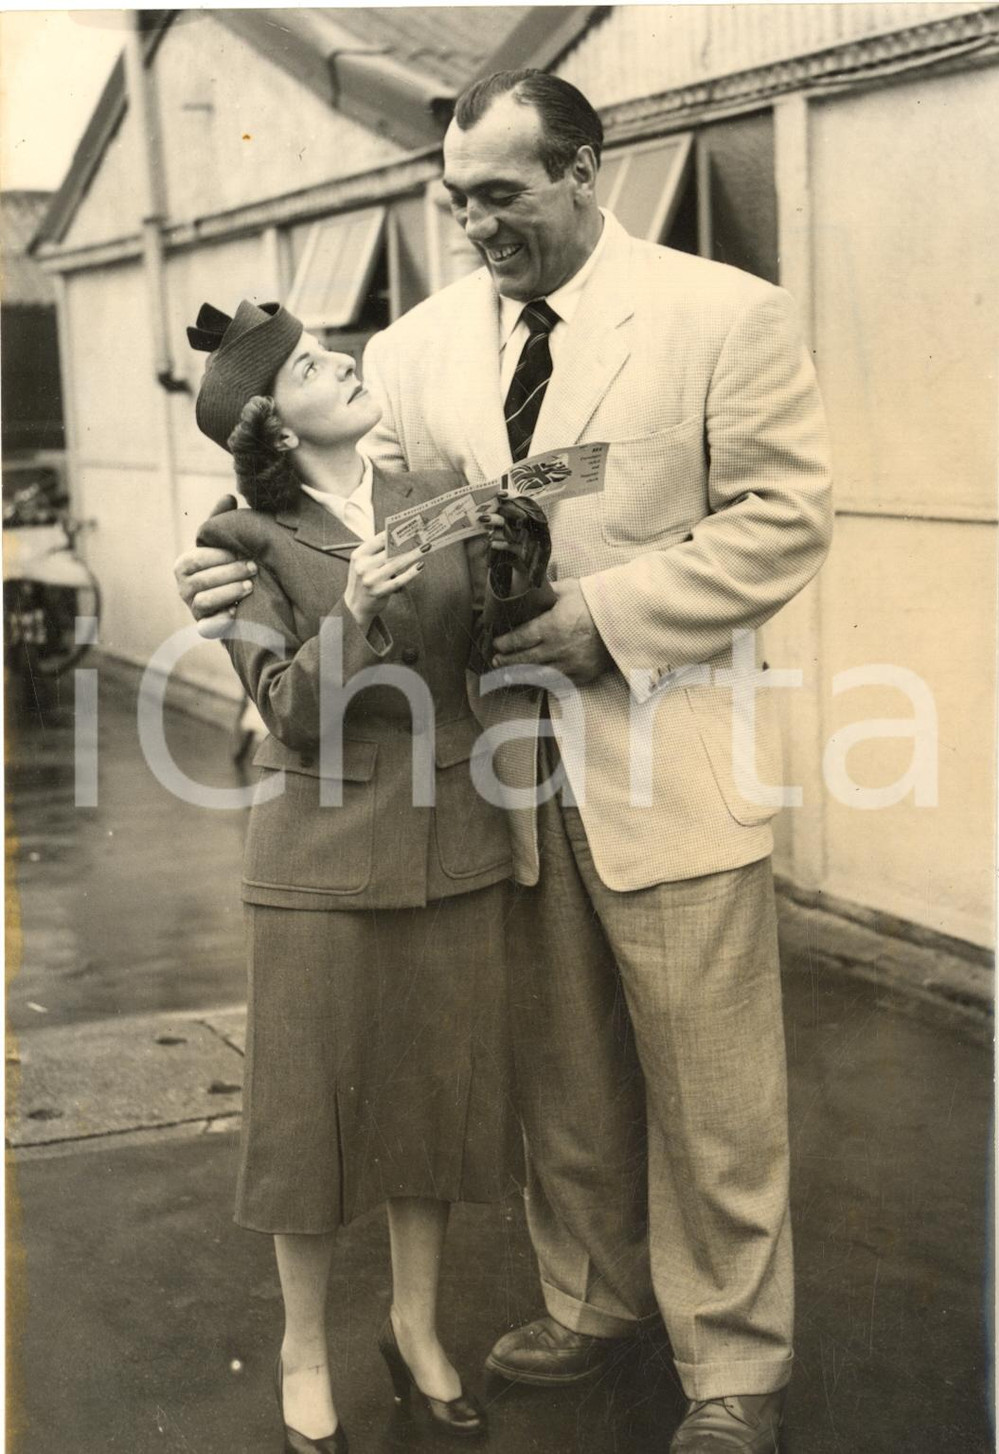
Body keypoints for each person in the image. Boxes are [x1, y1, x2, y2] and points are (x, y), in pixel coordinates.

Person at [175, 71, 833, 1454]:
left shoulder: (723, 315)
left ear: (586, 169)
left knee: (714, 1093)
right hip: (499, 780)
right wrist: (242, 563)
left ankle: (733, 1367)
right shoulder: (415, 350)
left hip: (669, 752)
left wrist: (603, 615)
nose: (475, 222)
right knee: (563, 1078)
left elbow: (784, 521)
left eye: (503, 193)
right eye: (455, 197)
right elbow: (362, 519)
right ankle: (593, 1301)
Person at [182, 296, 550, 1452]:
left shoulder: (425, 502)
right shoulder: (239, 542)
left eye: (327, 349)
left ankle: (416, 1326)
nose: (339, 362)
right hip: (322, 867)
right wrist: (352, 609)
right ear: (274, 428)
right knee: (309, 1124)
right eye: (304, 366)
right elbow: (290, 714)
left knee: (433, 1107)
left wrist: (516, 550)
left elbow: (489, 637)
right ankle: (301, 1346)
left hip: (453, 847)